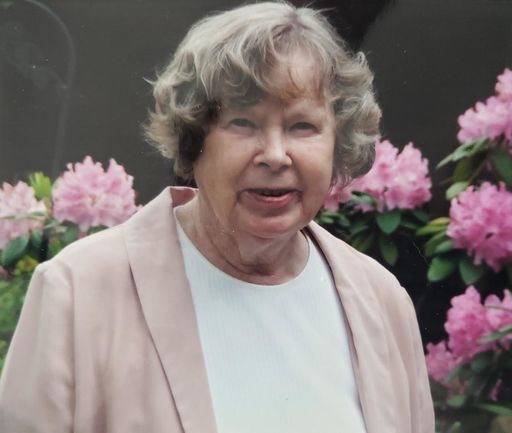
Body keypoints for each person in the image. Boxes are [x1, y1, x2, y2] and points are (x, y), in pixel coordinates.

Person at [0, 2, 434, 432]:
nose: (275, 155)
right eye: (243, 123)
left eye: (302, 126)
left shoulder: (382, 304)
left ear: (337, 144)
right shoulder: (78, 292)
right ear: (193, 141)